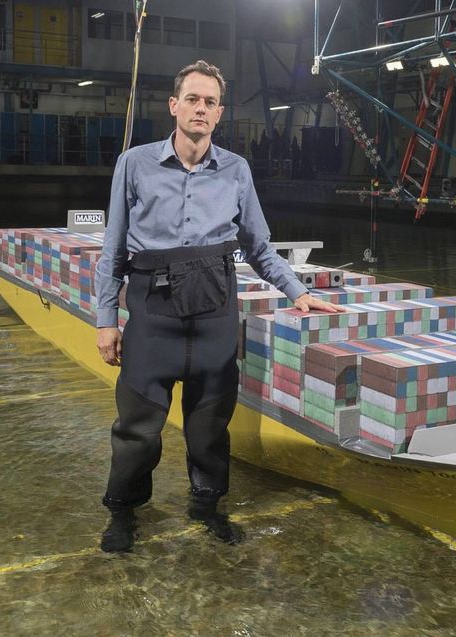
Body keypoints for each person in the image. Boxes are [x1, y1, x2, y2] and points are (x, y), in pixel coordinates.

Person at [94, 60, 342, 553]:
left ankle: (207, 507)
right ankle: (123, 513)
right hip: (152, 317)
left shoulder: (236, 170)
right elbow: (113, 249)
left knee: (209, 429)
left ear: (219, 112)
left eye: (209, 102)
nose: (200, 108)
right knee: (137, 430)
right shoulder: (135, 163)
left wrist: (298, 292)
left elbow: (259, 246)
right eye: (192, 99)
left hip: (213, 316)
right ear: (174, 106)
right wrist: (107, 321)